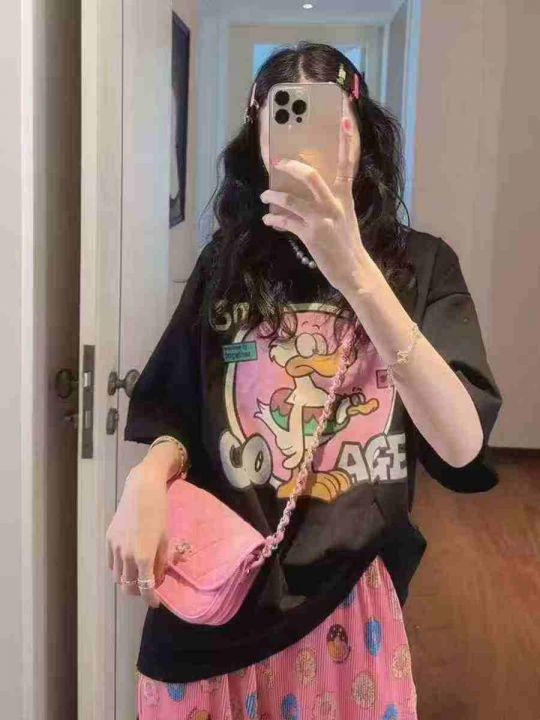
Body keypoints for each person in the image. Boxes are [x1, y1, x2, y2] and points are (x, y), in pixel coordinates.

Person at [106, 42, 503, 719]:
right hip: (214, 600)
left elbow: (461, 445)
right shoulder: (226, 263)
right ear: (256, 138)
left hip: (346, 608)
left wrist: (352, 268)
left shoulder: (421, 266)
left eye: (328, 121)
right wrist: (145, 479)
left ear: (360, 134)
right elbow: (176, 413)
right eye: (284, 121)